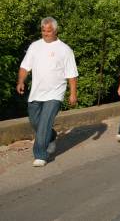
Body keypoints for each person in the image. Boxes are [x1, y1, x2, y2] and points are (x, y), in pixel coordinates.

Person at [17, 17, 78, 167]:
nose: (45, 34)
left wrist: (73, 93)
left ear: (55, 30)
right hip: (37, 92)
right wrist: (21, 81)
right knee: (35, 121)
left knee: (44, 122)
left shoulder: (65, 49)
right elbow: (25, 66)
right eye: (43, 31)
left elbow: (72, 74)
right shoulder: (35, 46)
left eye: (48, 31)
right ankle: (51, 136)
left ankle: (40, 154)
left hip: (55, 93)